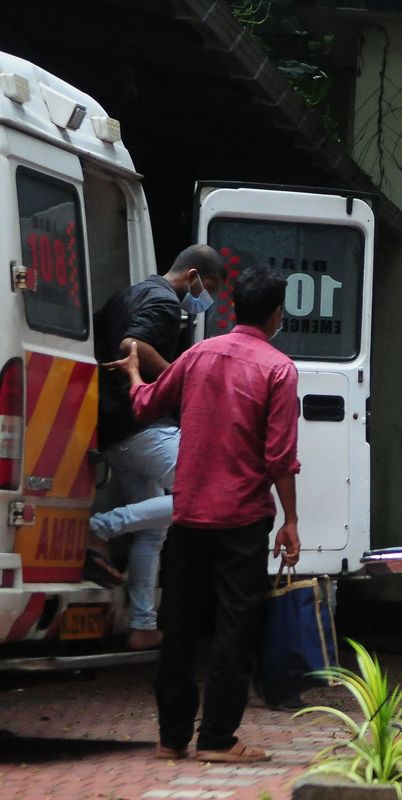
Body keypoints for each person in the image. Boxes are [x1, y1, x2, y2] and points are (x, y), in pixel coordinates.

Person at [106, 264, 301, 763]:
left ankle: (171, 737)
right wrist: (291, 521)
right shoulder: (278, 369)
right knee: (235, 626)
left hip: (189, 515)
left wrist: (132, 373)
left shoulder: (198, 354)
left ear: (234, 307)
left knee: (180, 624)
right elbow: (279, 457)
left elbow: (147, 405)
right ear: (277, 314)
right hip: (243, 519)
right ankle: (217, 738)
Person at [89, 244, 227, 650]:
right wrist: (180, 380)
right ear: (192, 276)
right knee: (204, 490)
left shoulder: (128, 294)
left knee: (153, 528)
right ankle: (100, 529)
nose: (209, 297)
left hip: (113, 424)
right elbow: (133, 346)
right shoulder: (166, 303)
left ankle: (142, 625)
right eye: (210, 287)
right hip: (142, 424)